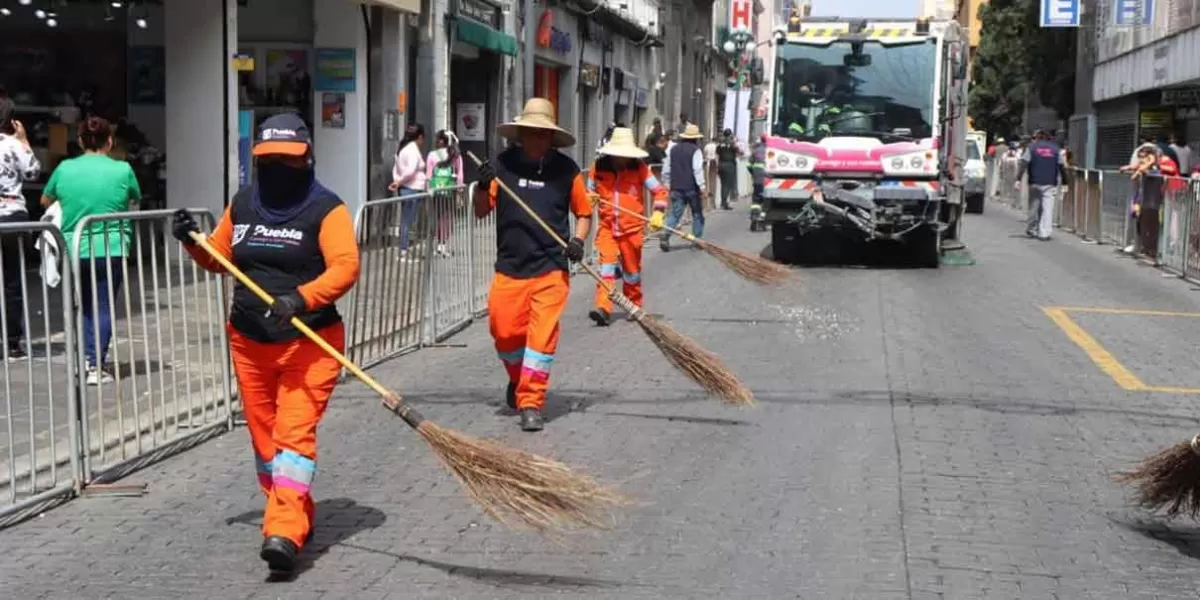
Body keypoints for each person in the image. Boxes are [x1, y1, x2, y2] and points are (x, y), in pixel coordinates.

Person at [170, 112, 360, 575]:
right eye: (269, 159)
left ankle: (283, 532)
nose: (277, 166)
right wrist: (193, 244)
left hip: (310, 342)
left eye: (286, 159)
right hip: (249, 342)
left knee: (293, 436)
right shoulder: (245, 204)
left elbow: (345, 266)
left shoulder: (326, 209)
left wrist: (301, 297)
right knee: (266, 443)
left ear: (306, 159)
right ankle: (296, 512)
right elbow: (221, 258)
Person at [472, 98, 592, 432]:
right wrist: (482, 185)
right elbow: (481, 210)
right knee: (505, 333)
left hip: (551, 270)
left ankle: (530, 402)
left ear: (551, 138)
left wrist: (578, 241)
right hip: (509, 268)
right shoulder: (503, 165)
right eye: (530, 133)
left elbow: (584, 213)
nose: (536, 139)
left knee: (540, 340)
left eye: (542, 134)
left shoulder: (566, 171)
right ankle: (517, 378)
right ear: (521, 134)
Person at [40, 116, 139, 384]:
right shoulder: (123, 169)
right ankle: (96, 364)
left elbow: (45, 199)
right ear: (110, 141)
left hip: (75, 248)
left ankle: (86, 359)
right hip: (113, 245)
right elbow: (134, 197)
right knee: (104, 305)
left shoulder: (65, 168)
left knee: (84, 305)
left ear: (81, 141)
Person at [586, 127, 667, 326]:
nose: (621, 159)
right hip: (607, 228)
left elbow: (659, 192)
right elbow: (587, 193)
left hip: (632, 230)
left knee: (632, 273)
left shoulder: (639, 168)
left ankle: (633, 304)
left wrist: (657, 212)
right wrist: (589, 199)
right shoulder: (597, 167)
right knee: (606, 269)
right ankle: (603, 308)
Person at [0, 96, 40, 360]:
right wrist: (24, 140)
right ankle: (12, 343)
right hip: (12, 217)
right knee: (12, 282)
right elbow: (33, 171)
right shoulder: (14, 145)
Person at [1015, 129, 1069, 241]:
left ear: (1037, 138)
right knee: (1047, 208)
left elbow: (1023, 163)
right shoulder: (1055, 149)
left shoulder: (1032, 148)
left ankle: (1032, 228)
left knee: (1034, 206)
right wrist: (1065, 182)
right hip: (1050, 182)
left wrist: (1018, 179)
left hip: (1034, 182)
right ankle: (1044, 233)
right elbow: (1061, 167)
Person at [660, 123, 707, 251]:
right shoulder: (695, 150)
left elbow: (666, 169)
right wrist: (702, 187)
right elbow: (697, 170)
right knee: (697, 213)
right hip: (691, 187)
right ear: (696, 138)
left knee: (675, 213)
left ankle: (665, 232)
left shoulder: (673, 150)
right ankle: (697, 239)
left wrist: (667, 183)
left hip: (676, 187)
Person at [389, 123, 427, 260]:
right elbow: (410, 170)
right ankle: (404, 249)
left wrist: (397, 181)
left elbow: (396, 169)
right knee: (408, 221)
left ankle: (405, 249)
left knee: (407, 220)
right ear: (420, 137)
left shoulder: (403, 149)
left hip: (407, 188)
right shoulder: (412, 150)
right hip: (411, 188)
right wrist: (399, 182)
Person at [425, 130, 463, 258]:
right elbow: (460, 175)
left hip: (435, 191)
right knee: (446, 218)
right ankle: (442, 244)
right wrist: (459, 192)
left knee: (436, 217)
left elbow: (429, 176)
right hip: (449, 191)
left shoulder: (431, 155)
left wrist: (428, 190)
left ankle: (435, 245)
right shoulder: (455, 155)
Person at [715, 129, 741, 210]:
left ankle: (723, 201)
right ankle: (724, 203)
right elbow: (737, 151)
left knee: (723, 185)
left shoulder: (720, 144)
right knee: (727, 185)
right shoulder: (732, 143)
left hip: (721, 164)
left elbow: (717, 153)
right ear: (730, 135)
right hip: (729, 165)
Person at [748, 133, 767, 225]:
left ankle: (754, 215)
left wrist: (753, 173)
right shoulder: (771, 150)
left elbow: (748, 165)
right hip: (768, 178)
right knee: (766, 198)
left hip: (757, 177)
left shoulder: (756, 150)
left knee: (756, 197)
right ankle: (762, 216)